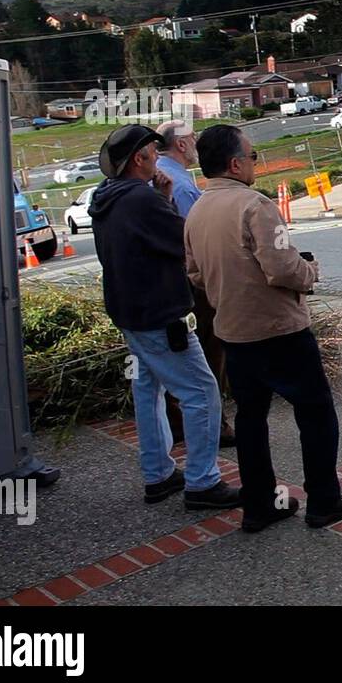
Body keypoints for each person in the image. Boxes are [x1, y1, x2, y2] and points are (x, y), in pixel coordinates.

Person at [183, 124, 342, 533]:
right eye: (251, 156)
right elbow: (282, 268)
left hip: (233, 329)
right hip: (280, 330)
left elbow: (193, 272)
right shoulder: (256, 205)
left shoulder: (196, 210)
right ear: (234, 163)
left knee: (250, 418)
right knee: (315, 412)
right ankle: (324, 499)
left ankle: (259, 503)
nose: (254, 163)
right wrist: (310, 271)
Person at [87, 124, 240, 510]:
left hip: (129, 314)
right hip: (160, 315)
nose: (158, 159)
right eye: (152, 154)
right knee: (201, 392)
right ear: (139, 159)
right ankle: (203, 482)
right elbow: (184, 240)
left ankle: (157, 473)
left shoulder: (107, 198)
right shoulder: (141, 199)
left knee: (147, 389)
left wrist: (163, 197)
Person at [155, 118, 235, 449]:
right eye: (192, 136)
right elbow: (195, 243)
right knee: (208, 353)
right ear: (183, 145)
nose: (197, 140)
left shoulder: (159, 175)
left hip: (163, 285)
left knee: (174, 359)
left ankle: (179, 421)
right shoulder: (182, 186)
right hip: (190, 285)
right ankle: (212, 424)